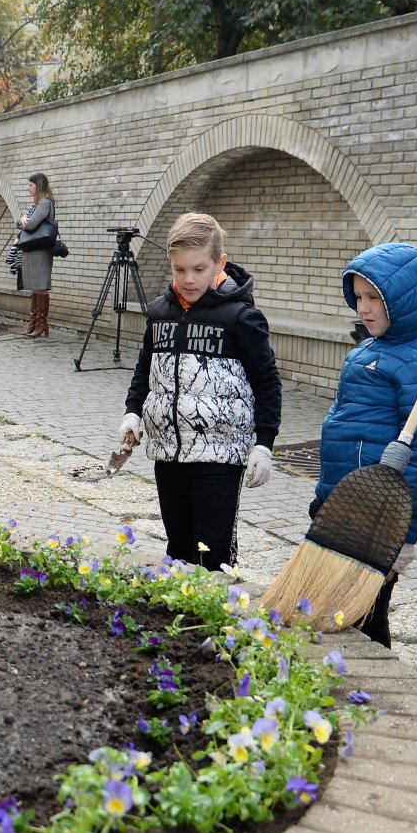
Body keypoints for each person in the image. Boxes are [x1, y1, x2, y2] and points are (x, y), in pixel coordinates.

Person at [311, 243, 417, 647]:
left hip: (379, 517)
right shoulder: (371, 347)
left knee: (366, 619)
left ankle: (377, 694)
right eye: (358, 296)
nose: (364, 307)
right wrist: (324, 497)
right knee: (334, 609)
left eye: (375, 297)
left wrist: (405, 537)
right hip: (345, 501)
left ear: (404, 299)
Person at [118, 212, 280, 570]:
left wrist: (264, 444)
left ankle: (218, 623)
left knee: (212, 555)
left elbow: (268, 383)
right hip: (168, 455)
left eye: (199, 269)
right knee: (177, 549)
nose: (188, 279)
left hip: (218, 458)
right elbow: (145, 368)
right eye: (179, 270)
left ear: (219, 263)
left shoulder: (241, 318)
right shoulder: (159, 313)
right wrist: (133, 411)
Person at [14, 173, 60, 337]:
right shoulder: (37, 204)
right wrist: (21, 221)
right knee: (36, 287)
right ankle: (33, 323)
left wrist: (23, 221)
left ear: (38, 186)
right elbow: (23, 222)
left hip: (40, 251)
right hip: (34, 250)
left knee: (41, 286)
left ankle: (41, 324)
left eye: (30, 185)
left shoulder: (44, 203)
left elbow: (31, 224)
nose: (28, 188)